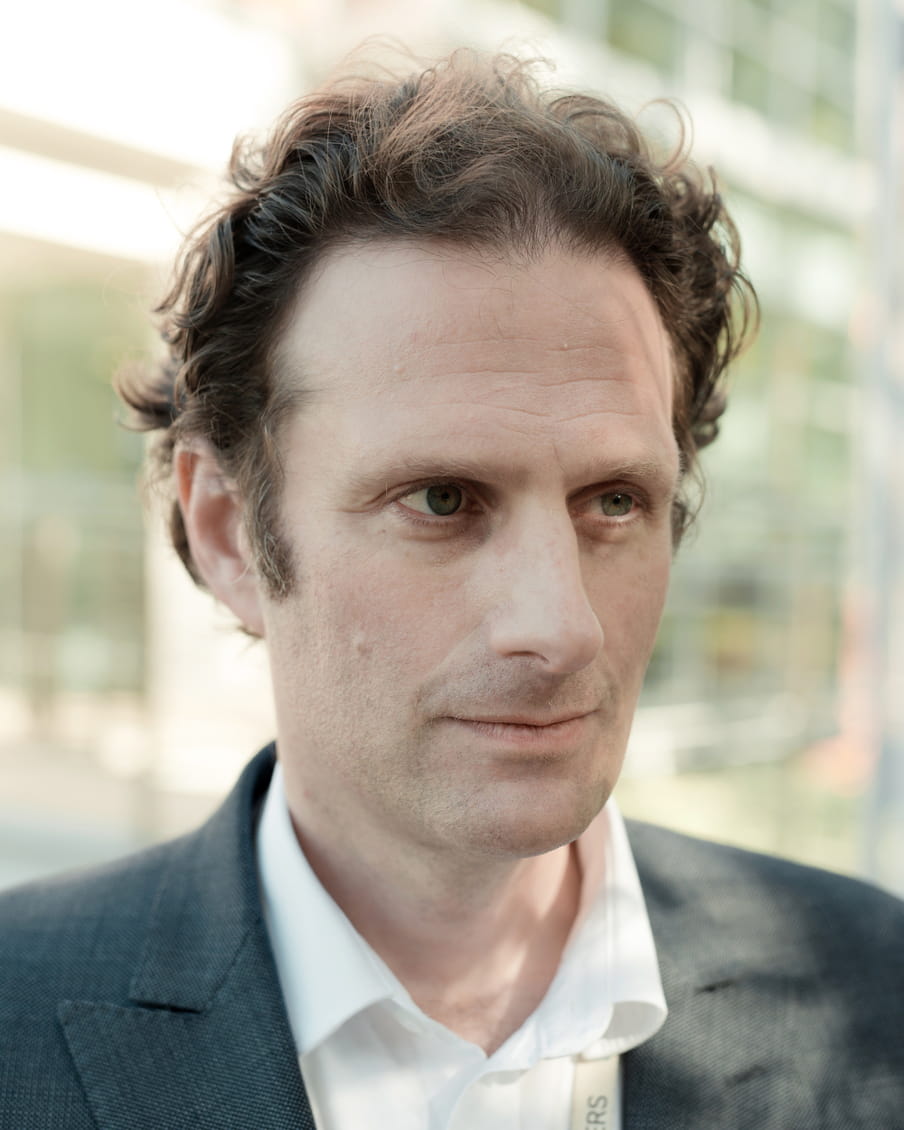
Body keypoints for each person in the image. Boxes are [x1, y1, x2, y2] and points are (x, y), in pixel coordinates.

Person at [1, 49, 902, 1130]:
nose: (558, 626)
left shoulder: (873, 989)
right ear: (228, 530)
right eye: (440, 499)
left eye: (613, 501)